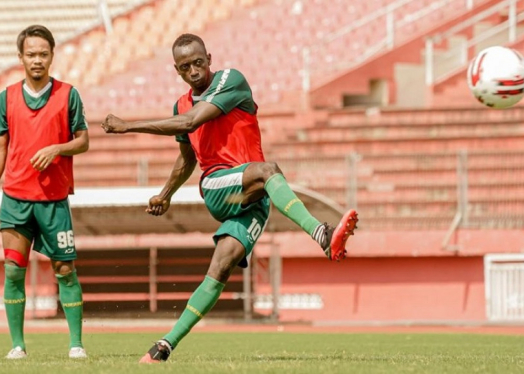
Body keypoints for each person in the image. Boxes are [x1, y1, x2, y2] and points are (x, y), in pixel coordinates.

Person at [101, 33, 358, 364]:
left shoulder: (230, 79)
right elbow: (188, 157)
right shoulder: (180, 104)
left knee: (221, 267)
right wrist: (165, 194)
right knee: (268, 170)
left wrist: (128, 126)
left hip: (255, 198)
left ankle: (162, 347)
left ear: (209, 57)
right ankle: (322, 235)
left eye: (197, 62)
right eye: (184, 67)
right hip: (218, 185)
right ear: (176, 70)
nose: (193, 71)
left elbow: (192, 121)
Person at [0, 25, 90, 360]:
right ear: (21, 58)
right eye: (31, 54)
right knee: (14, 270)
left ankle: (76, 344)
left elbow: (84, 141)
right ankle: (17, 345)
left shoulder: (68, 94)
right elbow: (0, 147)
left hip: (54, 201)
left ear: (52, 55)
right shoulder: (7, 97)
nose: (37, 60)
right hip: (15, 199)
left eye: (43, 53)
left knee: (65, 271)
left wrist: (57, 148)